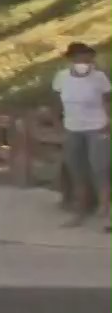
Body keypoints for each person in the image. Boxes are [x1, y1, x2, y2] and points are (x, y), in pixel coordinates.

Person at [52, 42, 111, 230]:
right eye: (79, 57)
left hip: (97, 127)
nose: (84, 61)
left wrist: (108, 123)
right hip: (72, 128)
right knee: (77, 170)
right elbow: (57, 104)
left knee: (100, 168)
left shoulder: (99, 78)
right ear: (72, 60)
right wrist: (57, 124)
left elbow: (107, 101)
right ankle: (81, 210)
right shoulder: (61, 78)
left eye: (88, 57)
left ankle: (105, 210)